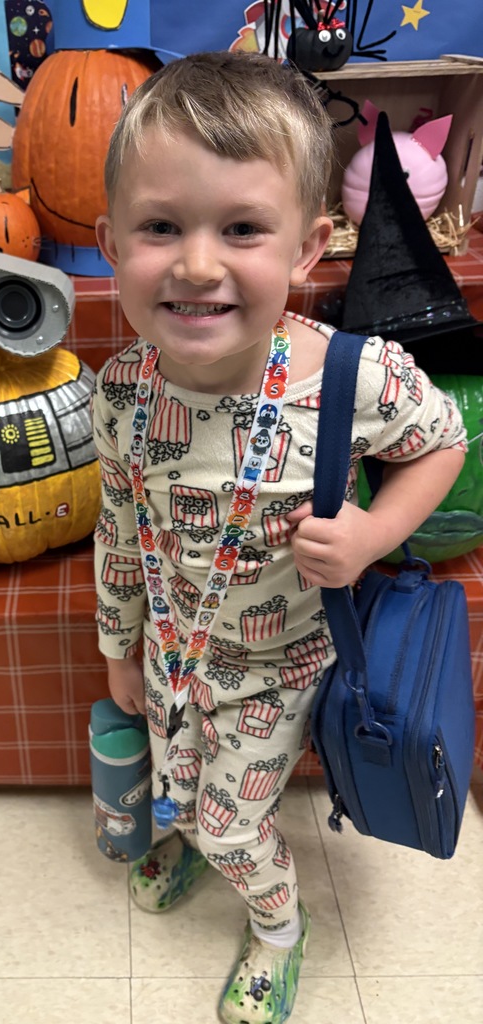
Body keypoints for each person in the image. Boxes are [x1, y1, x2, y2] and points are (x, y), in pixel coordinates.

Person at [91, 50, 466, 1024]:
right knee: (177, 779)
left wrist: (374, 531)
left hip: (288, 659)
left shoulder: (354, 374)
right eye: (162, 227)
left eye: (242, 229)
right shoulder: (124, 389)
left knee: (230, 820)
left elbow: (446, 441)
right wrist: (116, 644)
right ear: (110, 243)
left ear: (308, 246)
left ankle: (276, 931)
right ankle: (196, 832)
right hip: (176, 650)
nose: (199, 262)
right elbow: (121, 525)